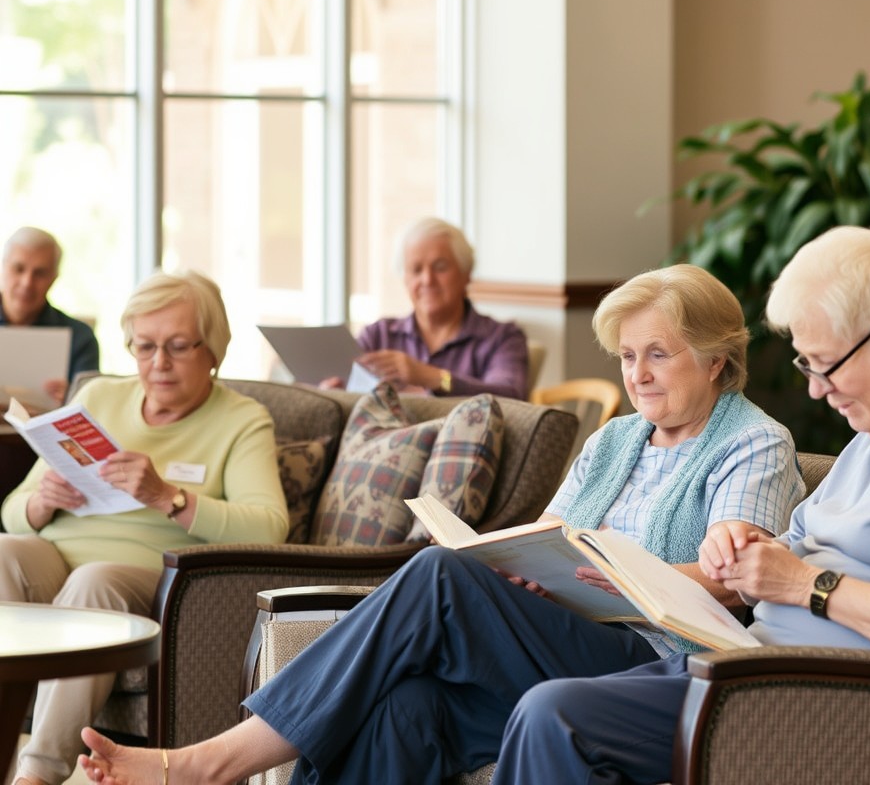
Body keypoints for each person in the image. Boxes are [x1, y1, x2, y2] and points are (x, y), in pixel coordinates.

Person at [78, 263, 804, 785]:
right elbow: (549, 533)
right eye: (625, 357)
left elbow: (733, 583)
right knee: (408, 707)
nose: (637, 374)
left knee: (436, 575)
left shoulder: (752, 442)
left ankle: (209, 764)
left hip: (655, 666)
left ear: (715, 360)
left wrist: (614, 577)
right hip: (572, 638)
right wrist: (519, 562)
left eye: (657, 354)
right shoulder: (616, 438)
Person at [473, 225, 870, 784]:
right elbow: (798, 547)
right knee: (531, 709)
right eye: (806, 365)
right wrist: (748, 553)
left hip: (836, 698)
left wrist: (801, 585)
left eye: (824, 362)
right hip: (758, 666)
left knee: (554, 717)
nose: (815, 389)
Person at [2, 270, 289, 785]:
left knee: (95, 580)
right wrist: (40, 503)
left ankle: (37, 774)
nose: (158, 364)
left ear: (213, 348)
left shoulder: (243, 420)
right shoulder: (99, 398)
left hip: (148, 576)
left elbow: (270, 529)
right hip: (57, 554)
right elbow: (12, 508)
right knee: (3, 550)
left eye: (178, 346)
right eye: (144, 346)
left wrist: (169, 498)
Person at [321, 217, 529, 399]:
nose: (427, 279)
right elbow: (343, 383)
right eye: (416, 269)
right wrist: (330, 392)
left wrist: (431, 377)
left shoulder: (502, 338)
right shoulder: (379, 335)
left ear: (466, 274)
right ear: (405, 279)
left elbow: (511, 396)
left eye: (440, 267)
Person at [0, 226, 100, 404]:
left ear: (54, 277)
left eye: (39, 273)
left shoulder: (80, 338)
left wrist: (73, 398)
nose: (27, 283)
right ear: (3, 267)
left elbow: (92, 408)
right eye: (18, 269)